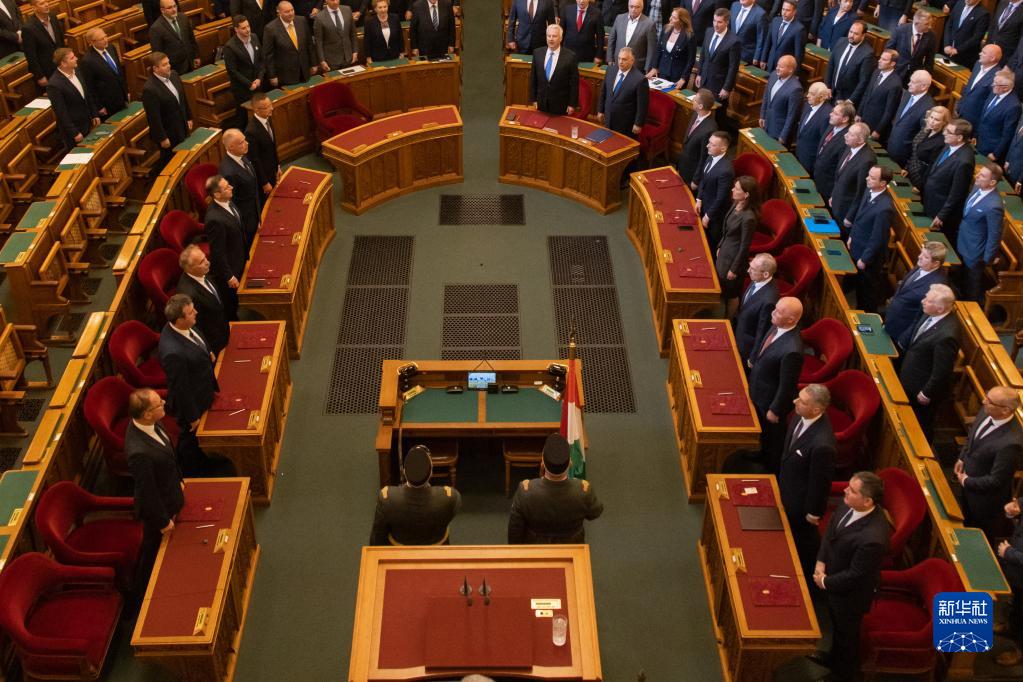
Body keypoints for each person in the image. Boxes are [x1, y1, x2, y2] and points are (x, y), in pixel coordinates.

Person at [811, 471, 890, 682]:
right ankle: (832, 658)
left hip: (851, 597)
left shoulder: (873, 538)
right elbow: (831, 531)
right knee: (836, 628)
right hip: (833, 577)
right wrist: (821, 561)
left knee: (847, 637)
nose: (845, 490)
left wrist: (825, 581)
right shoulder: (849, 504)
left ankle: (842, 674)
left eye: (852, 490)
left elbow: (856, 576)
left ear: (867, 501)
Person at [125, 388, 184, 603]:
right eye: (159, 404)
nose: (164, 403)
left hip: (171, 493)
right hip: (159, 511)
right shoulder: (138, 452)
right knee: (152, 553)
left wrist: (179, 479)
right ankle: (143, 599)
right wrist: (162, 521)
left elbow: (168, 456)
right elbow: (147, 491)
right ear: (147, 414)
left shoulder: (151, 423)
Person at [158, 294, 227, 477]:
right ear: (179, 319)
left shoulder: (183, 325)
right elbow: (181, 388)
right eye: (190, 312)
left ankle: (205, 459)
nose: (195, 312)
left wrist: (208, 350)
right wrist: (192, 416)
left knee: (201, 437)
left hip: (203, 387)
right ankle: (194, 472)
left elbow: (197, 336)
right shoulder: (173, 352)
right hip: (192, 402)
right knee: (190, 440)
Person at [778, 384, 835, 579]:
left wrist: (813, 512)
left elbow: (820, 482)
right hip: (786, 486)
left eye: (802, 401)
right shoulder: (800, 415)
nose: (795, 402)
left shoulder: (823, 445)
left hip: (800, 503)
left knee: (800, 542)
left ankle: (801, 577)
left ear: (816, 409)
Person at [508, 434, 603, 543]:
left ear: (542, 462)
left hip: (536, 547)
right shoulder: (583, 491)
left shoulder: (526, 491)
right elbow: (595, 513)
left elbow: (514, 531)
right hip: (572, 547)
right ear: (570, 463)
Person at [955, 386, 1023, 541]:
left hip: (983, 501)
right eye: (987, 396)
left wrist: (967, 481)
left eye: (990, 400)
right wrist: (962, 457)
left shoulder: (1011, 443)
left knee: (976, 536)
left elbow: (997, 480)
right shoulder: (987, 410)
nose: (984, 401)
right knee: (962, 520)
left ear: (1005, 410)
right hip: (967, 483)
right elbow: (972, 436)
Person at [896, 284, 960, 440]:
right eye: (926, 297)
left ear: (940, 309)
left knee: (920, 425)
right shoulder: (929, 312)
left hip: (920, 388)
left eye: (928, 300)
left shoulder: (947, 336)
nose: (923, 301)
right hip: (910, 374)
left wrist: (926, 392)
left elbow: (942, 371)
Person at [748, 296, 804, 466]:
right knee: (762, 431)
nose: (773, 313)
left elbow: (787, 385)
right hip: (759, 388)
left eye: (778, 312)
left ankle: (770, 467)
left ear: (791, 320)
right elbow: (764, 345)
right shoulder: (777, 324)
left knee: (772, 437)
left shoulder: (792, 350)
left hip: (770, 399)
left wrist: (775, 409)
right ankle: (761, 453)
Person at [370, 444, 462, 545]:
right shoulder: (449, 498)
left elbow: (377, 535)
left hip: (399, 549)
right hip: (436, 546)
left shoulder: (387, 498)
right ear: (431, 473)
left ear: (404, 472)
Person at [845, 165, 894, 312]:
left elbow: (878, 237)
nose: (867, 179)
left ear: (882, 183)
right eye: (868, 175)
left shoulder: (885, 208)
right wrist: (852, 235)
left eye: (872, 178)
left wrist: (865, 259)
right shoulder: (869, 190)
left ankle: (865, 314)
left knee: (866, 290)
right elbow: (859, 216)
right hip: (857, 244)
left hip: (869, 256)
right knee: (857, 283)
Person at [921, 117, 974, 245]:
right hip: (930, 200)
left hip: (940, 208)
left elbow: (957, 193)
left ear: (959, 137)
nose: (944, 133)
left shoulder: (964, 161)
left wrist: (942, 215)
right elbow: (935, 168)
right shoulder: (949, 145)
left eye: (948, 132)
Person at [957, 163, 1005, 303]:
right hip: (963, 240)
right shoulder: (978, 186)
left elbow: (994, 235)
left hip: (975, 252)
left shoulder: (994, 206)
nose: (977, 176)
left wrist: (987, 259)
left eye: (982, 175)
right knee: (961, 280)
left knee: (971, 286)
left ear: (992, 182)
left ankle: (970, 309)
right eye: (979, 173)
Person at [883, 241, 948, 343]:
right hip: (891, 318)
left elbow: (921, 317)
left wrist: (904, 339)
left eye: (925, 257)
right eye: (921, 253)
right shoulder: (922, 265)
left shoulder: (935, 286)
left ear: (936, 263)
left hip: (901, 331)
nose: (919, 257)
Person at [204, 175, 247, 320]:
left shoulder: (228, 200)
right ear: (217, 194)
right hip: (231, 267)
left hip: (239, 257)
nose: (231, 187)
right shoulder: (214, 220)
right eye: (227, 187)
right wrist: (229, 276)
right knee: (231, 303)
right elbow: (218, 253)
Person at [716, 176, 759, 317]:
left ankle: (729, 319)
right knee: (721, 285)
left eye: (737, 188)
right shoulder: (736, 204)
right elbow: (726, 229)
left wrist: (734, 268)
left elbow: (744, 246)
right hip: (725, 252)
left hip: (734, 259)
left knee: (731, 293)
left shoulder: (749, 218)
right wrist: (720, 245)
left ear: (746, 194)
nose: (732, 190)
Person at [176, 245, 230, 356]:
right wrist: (208, 349)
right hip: (214, 344)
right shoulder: (189, 294)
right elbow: (195, 326)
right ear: (189, 268)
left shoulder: (201, 273)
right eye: (201, 262)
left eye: (205, 258)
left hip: (223, 331)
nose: (207, 262)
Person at [142, 51, 192, 167]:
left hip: (182, 125)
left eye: (168, 63)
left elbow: (183, 99)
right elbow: (153, 117)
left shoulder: (174, 75)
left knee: (186, 157)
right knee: (172, 162)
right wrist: (162, 138)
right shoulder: (149, 89)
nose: (169, 66)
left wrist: (189, 117)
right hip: (168, 132)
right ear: (155, 68)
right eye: (164, 64)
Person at [46, 49, 99, 151]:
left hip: (88, 122)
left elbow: (87, 94)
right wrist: (74, 133)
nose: (76, 59)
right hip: (75, 130)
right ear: (63, 63)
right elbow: (61, 113)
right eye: (72, 58)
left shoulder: (77, 71)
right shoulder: (54, 85)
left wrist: (94, 114)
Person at [219, 129, 262, 247]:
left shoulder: (241, 155)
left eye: (245, 140)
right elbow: (232, 202)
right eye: (241, 143)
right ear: (231, 147)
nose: (246, 143)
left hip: (254, 212)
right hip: (245, 221)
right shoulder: (228, 172)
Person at [733, 253, 779, 364]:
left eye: (753, 269)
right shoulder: (758, 280)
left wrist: (753, 358)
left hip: (746, 348)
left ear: (766, 274)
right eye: (750, 266)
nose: (748, 271)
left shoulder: (769, 301)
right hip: (739, 333)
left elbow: (762, 332)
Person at [828, 122, 875, 225]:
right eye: (848, 132)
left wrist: (850, 216)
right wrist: (833, 195)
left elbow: (861, 191)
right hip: (837, 201)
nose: (846, 135)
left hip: (846, 210)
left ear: (860, 140)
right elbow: (840, 175)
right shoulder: (850, 146)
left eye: (851, 134)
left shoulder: (867, 161)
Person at [223, 16, 265, 130]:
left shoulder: (254, 37)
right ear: (236, 29)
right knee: (244, 120)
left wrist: (259, 79)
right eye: (243, 28)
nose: (247, 30)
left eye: (248, 26)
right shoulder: (230, 47)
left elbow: (261, 61)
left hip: (258, 85)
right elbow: (232, 71)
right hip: (243, 90)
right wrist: (249, 84)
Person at [694, 131, 734, 249]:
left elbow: (721, 198)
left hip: (715, 216)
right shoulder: (711, 156)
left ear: (723, 148)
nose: (707, 146)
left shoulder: (726, 170)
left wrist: (708, 216)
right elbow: (704, 178)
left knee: (710, 243)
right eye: (709, 142)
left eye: (712, 144)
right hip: (704, 204)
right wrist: (699, 198)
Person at [597, 46, 649, 138]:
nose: (620, 62)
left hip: (626, 124)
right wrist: (600, 110)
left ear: (632, 61)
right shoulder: (610, 70)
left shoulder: (640, 79)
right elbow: (603, 92)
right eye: (619, 58)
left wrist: (638, 123)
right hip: (608, 118)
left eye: (624, 59)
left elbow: (642, 105)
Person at [264, 1, 317, 87]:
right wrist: (272, 75)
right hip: (286, 75)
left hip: (304, 71)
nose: (291, 13)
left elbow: (309, 44)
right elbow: (268, 55)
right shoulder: (270, 29)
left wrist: (314, 63)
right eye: (287, 12)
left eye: (292, 10)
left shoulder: (302, 20)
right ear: (279, 12)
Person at [887, 69, 934, 166]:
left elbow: (921, 136)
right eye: (910, 81)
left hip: (904, 155)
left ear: (923, 86)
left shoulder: (928, 107)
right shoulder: (908, 94)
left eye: (913, 82)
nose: (908, 84)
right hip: (891, 144)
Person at [529, 25, 579, 117]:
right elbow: (533, 78)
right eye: (549, 36)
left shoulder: (570, 57)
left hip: (560, 104)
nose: (551, 39)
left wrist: (572, 104)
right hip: (541, 102)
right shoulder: (537, 53)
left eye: (554, 36)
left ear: (561, 38)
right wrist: (533, 99)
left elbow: (574, 83)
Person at [997, 496, 1023, 667]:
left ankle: (1020, 651)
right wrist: (1017, 505)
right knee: (1017, 604)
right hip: (1018, 573)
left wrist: (1009, 553)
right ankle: (1011, 628)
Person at [693, 9, 740, 102]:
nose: (716, 24)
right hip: (704, 80)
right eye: (714, 21)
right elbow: (703, 55)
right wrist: (699, 74)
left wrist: (726, 88)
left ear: (727, 22)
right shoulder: (709, 31)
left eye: (719, 22)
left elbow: (733, 68)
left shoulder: (734, 41)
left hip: (719, 85)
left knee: (716, 110)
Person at [79, 28, 127, 121]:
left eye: (105, 36)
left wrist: (126, 92)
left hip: (121, 97)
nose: (106, 40)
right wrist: (99, 106)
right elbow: (90, 87)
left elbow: (119, 72)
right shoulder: (87, 61)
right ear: (92, 42)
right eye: (101, 39)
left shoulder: (111, 48)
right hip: (107, 103)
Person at [856, 49, 902, 143]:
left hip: (875, 124)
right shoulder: (876, 72)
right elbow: (866, 94)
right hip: (863, 119)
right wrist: (859, 113)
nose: (879, 61)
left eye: (884, 59)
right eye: (880, 58)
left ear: (892, 63)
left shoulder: (895, 84)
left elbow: (889, 111)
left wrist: (878, 130)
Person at [977, 70, 1022, 163]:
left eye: (995, 84)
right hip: (980, 141)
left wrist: (996, 154)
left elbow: (1007, 134)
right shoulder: (995, 91)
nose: (992, 85)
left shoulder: (1013, 106)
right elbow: (984, 116)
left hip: (991, 150)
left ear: (1005, 88)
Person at [826, 21, 875, 106]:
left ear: (863, 35)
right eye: (851, 32)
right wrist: (828, 87)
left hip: (847, 99)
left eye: (856, 34)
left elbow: (863, 81)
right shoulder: (841, 41)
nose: (851, 35)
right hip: (831, 93)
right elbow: (831, 66)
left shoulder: (868, 53)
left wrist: (851, 100)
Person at [676, 88, 717, 184]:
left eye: (695, 100)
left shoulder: (710, 129)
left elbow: (704, 157)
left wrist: (696, 180)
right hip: (683, 165)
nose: (692, 100)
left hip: (691, 173)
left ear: (700, 106)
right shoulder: (696, 114)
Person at [814, 101, 853, 199]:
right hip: (819, 179)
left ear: (845, 119)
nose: (830, 114)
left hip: (828, 187)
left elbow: (840, 168)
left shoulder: (847, 139)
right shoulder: (832, 126)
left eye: (835, 113)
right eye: (832, 111)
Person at [759, 55, 802, 145]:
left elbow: (792, 116)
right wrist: (762, 115)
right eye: (777, 65)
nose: (777, 68)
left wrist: (783, 135)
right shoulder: (773, 75)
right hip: (766, 124)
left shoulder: (796, 89)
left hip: (778, 132)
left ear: (790, 70)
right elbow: (766, 96)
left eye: (781, 67)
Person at [957, 44, 1003, 129]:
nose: (980, 54)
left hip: (974, 120)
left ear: (992, 58)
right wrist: (960, 105)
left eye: (984, 53)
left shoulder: (997, 76)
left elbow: (989, 103)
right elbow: (969, 86)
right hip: (962, 111)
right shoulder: (977, 64)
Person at [607, 0, 659, 74]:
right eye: (631, 6)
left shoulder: (649, 24)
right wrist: (610, 59)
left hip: (637, 66)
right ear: (628, 6)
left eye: (637, 7)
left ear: (642, 8)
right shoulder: (619, 18)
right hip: (618, 63)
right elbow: (611, 39)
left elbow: (651, 49)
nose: (634, 9)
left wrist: (647, 68)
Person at [150, 0, 200, 76]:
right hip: (174, 69)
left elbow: (191, 39)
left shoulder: (183, 17)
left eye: (174, 6)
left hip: (190, 62)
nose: (173, 10)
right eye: (169, 8)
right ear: (162, 10)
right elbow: (158, 54)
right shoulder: (156, 28)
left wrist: (196, 56)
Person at [904, 106, 949, 189]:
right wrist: (906, 168)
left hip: (920, 179)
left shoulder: (942, 141)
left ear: (944, 123)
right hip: (910, 171)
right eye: (931, 117)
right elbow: (914, 151)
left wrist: (920, 186)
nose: (932, 121)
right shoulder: (926, 130)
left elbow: (932, 167)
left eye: (937, 120)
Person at [22, 0, 64, 89]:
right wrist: (40, 76)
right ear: (34, 8)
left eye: (46, 2)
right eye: (42, 3)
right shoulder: (28, 28)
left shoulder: (53, 17)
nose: (46, 5)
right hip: (46, 70)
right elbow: (31, 56)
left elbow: (60, 40)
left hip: (61, 64)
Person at [885, 10, 935, 84]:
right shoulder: (900, 30)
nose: (930, 26)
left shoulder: (931, 35)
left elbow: (930, 59)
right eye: (927, 24)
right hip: (897, 71)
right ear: (916, 23)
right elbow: (889, 50)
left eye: (930, 23)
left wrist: (928, 75)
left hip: (914, 75)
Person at [246, 93, 280, 196]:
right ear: (257, 110)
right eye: (267, 107)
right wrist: (264, 182)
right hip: (265, 175)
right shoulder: (251, 131)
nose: (271, 108)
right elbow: (255, 160)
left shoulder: (267, 119)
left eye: (271, 105)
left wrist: (277, 166)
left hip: (273, 170)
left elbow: (272, 146)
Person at [652, 7, 696, 88]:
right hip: (662, 72)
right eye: (671, 16)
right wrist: (654, 67)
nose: (670, 19)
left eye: (674, 18)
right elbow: (658, 49)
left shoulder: (689, 36)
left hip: (677, 76)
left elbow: (690, 60)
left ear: (682, 21)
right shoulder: (666, 29)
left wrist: (683, 78)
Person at [756, 1, 805, 72]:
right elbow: (768, 42)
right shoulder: (775, 21)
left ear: (794, 12)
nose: (784, 13)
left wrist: (795, 72)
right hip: (770, 63)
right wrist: (763, 59)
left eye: (788, 10)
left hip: (785, 68)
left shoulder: (799, 29)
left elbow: (798, 54)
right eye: (783, 9)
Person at [794, 83, 831, 174]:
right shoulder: (807, 104)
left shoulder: (827, 115)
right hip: (799, 152)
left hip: (809, 160)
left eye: (812, 94)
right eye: (808, 92)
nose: (808, 96)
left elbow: (822, 142)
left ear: (821, 97)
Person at [943, 0, 990, 68]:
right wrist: (947, 44)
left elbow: (977, 37)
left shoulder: (983, 14)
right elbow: (949, 25)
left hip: (964, 56)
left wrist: (958, 50)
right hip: (948, 50)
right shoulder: (959, 3)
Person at [315, 0, 358, 71]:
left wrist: (355, 51)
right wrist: (322, 60)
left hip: (349, 57)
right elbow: (319, 42)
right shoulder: (319, 17)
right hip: (331, 61)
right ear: (326, 0)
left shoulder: (347, 10)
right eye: (332, 0)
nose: (335, 2)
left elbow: (353, 33)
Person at [562, 0, 604, 65]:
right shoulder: (567, 10)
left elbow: (600, 37)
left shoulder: (597, 13)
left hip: (587, 55)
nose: (581, 1)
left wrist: (598, 56)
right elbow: (562, 32)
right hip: (568, 53)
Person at [989, 0, 1023, 65]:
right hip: (991, 51)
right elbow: (993, 26)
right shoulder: (1003, 2)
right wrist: (987, 46)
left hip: (1007, 56)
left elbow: (1021, 40)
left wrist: (1012, 62)